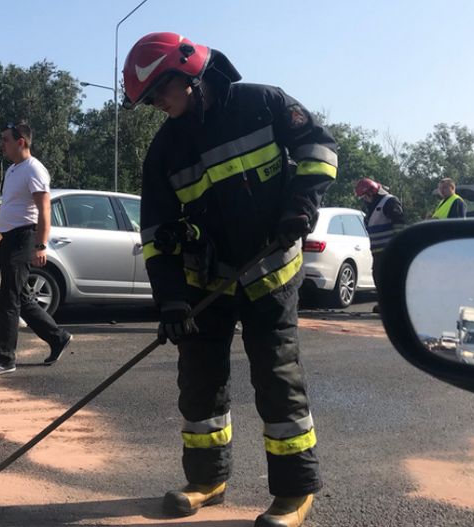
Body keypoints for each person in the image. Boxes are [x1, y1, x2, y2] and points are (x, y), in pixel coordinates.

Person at [122, 32, 338, 527]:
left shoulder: (263, 104)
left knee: (277, 381)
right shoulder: (164, 151)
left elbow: (320, 150)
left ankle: (294, 492)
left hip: (270, 271)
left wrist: (301, 204)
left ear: (190, 75)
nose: (157, 105)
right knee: (199, 384)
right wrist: (172, 301)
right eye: (149, 99)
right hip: (206, 283)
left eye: (159, 93)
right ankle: (206, 481)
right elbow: (156, 235)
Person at [0, 121, 72, 375]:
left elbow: (44, 210)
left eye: (5, 139)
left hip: (25, 238)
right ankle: (57, 337)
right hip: (9, 238)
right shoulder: (12, 170)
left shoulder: (34, 170)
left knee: (9, 297)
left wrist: (41, 245)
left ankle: (5, 358)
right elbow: (10, 212)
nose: (2, 144)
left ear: (21, 142)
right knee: (19, 296)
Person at [355, 178, 406, 312]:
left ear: (371, 192)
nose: (364, 199)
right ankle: (385, 303)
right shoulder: (373, 205)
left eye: (365, 196)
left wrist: (397, 245)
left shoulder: (389, 202)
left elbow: (399, 223)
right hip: (377, 250)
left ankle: (391, 305)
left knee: (387, 277)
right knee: (379, 276)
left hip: (389, 249)